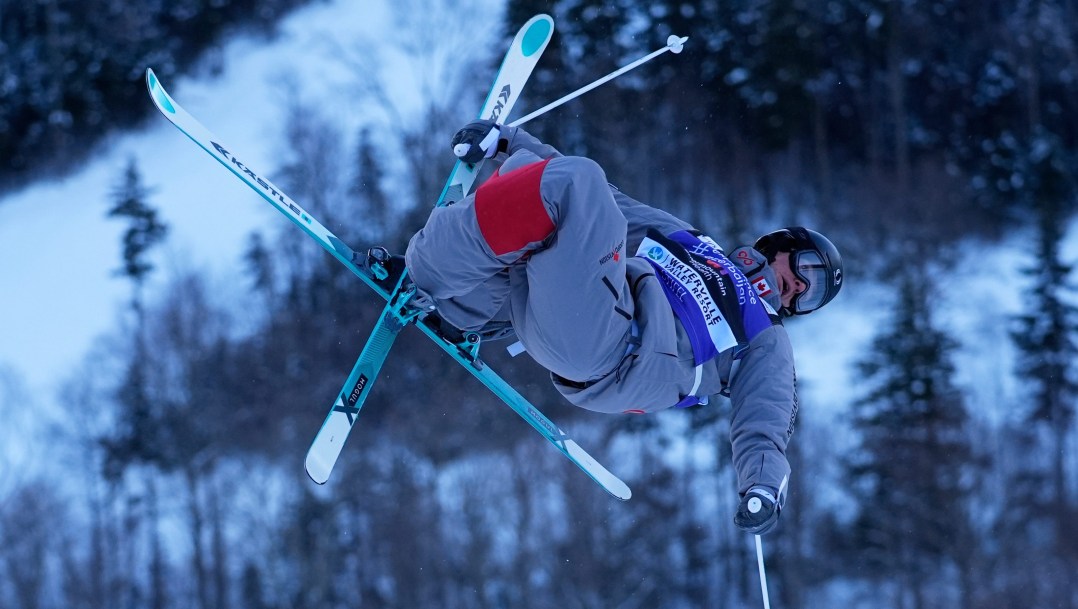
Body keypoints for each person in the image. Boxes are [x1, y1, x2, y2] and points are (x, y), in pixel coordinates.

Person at [403, 119, 844, 535]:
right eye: (808, 270)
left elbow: (766, 417)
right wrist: (507, 143)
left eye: (811, 297)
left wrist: (762, 487)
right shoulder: (691, 242)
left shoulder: (765, 334)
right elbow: (605, 203)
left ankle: (424, 270)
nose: (800, 289)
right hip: (571, 315)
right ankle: (459, 309)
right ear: (781, 245)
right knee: (531, 176)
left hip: (614, 349)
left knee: (577, 184)